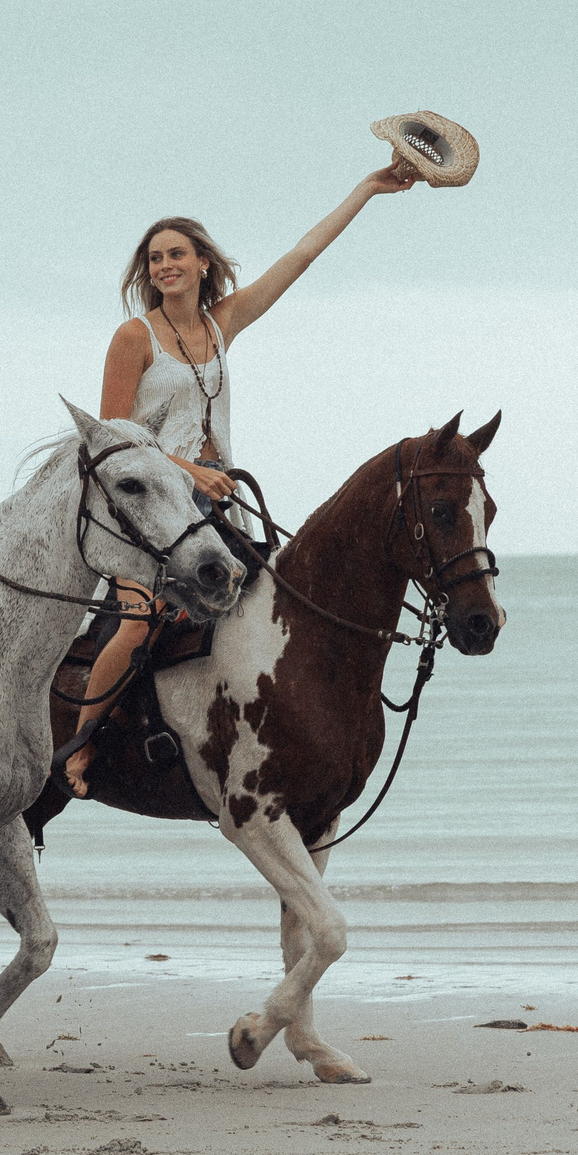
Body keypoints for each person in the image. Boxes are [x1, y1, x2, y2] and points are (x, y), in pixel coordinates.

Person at [62, 163, 417, 797]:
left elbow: (301, 256)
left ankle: (235, 739)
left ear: (203, 263)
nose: (165, 265)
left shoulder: (222, 323)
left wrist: (365, 190)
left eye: (177, 254)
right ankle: (81, 747)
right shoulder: (133, 337)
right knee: (139, 623)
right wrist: (189, 469)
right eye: (155, 259)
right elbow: (115, 445)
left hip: (215, 505)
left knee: (269, 612)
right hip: (146, 508)